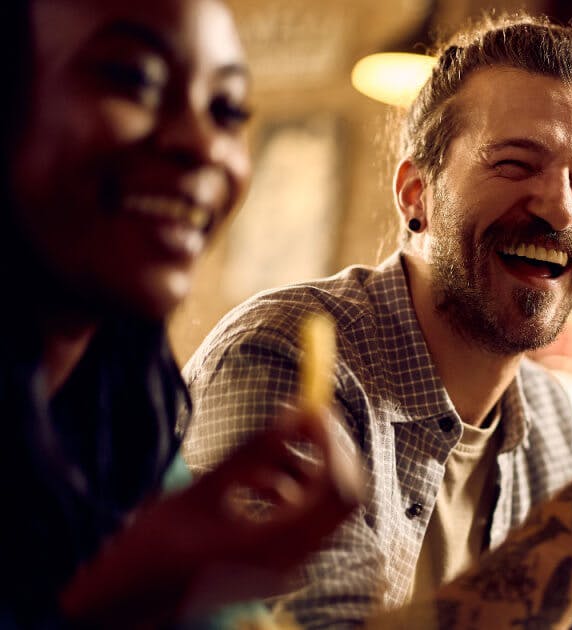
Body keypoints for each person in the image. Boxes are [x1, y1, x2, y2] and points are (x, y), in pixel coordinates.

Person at [183, 14, 572, 629]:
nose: (561, 207)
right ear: (415, 194)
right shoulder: (287, 361)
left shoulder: (547, 418)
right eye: (514, 164)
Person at [0, 0, 363, 626]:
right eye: (132, 80)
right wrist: (133, 600)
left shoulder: (126, 411)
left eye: (228, 111)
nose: (201, 144)